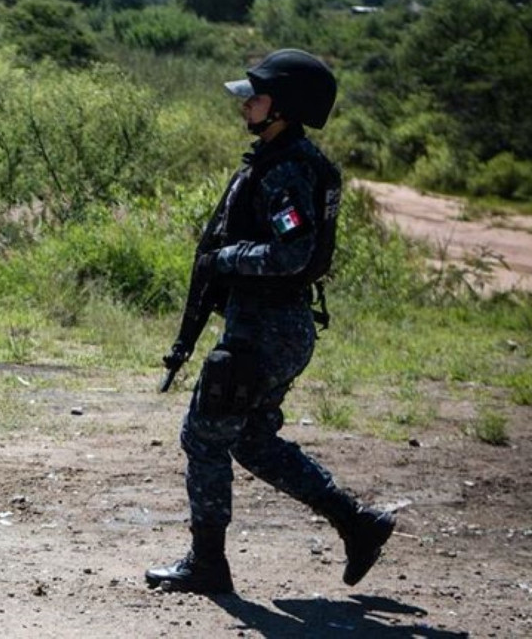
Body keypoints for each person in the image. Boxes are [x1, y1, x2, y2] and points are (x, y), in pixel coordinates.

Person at [147, 49, 395, 593]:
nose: (245, 106)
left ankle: (207, 565)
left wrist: (226, 259)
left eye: (255, 98)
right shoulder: (278, 157)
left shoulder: (285, 169)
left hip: (265, 331)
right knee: (253, 440)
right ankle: (358, 523)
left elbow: (294, 253)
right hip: (274, 328)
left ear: (282, 108)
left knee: (204, 437)